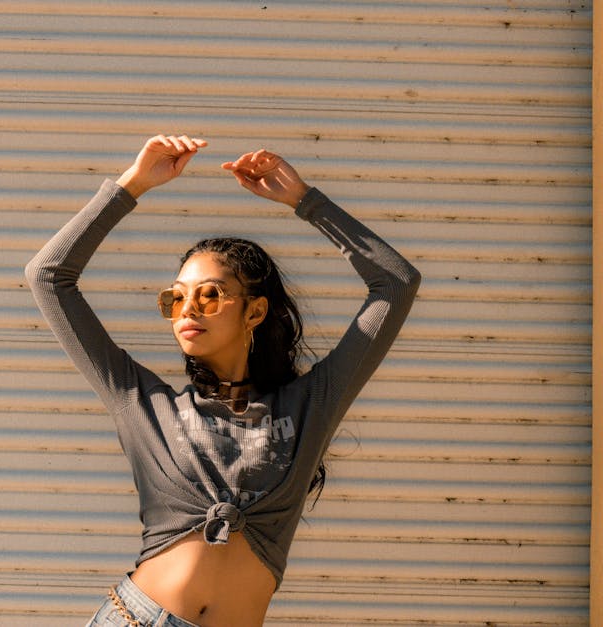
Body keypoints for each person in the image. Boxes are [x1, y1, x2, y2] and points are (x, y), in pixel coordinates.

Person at [25, 135, 420, 627]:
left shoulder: (310, 405)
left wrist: (304, 200)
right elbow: (48, 275)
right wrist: (134, 184)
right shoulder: (143, 402)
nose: (187, 310)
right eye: (175, 298)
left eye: (209, 295)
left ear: (255, 311)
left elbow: (395, 284)